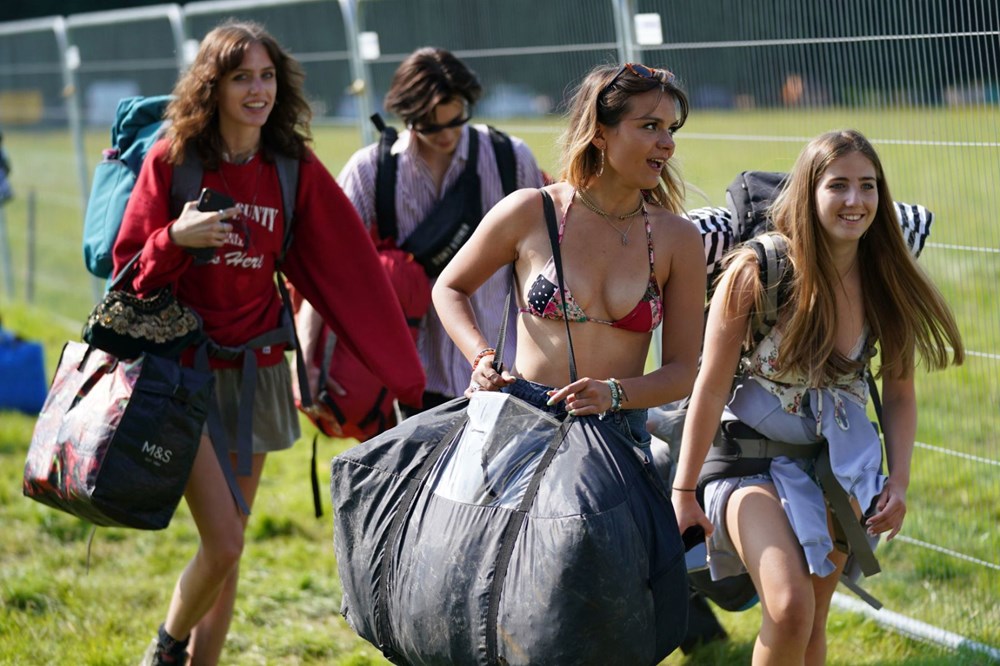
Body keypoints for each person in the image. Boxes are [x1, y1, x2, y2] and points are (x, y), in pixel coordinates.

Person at [112, 20, 424, 665]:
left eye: (266, 76)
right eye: (240, 77)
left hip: (255, 370)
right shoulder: (172, 162)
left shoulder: (293, 168)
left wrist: (407, 384)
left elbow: (352, 274)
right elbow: (127, 274)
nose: (257, 90)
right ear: (213, 85)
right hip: (180, 374)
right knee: (222, 542)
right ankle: (165, 648)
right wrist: (176, 239)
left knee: (231, 548)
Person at [671, 129, 964, 665]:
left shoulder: (886, 280)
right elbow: (709, 386)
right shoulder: (758, 271)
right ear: (809, 192)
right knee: (787, 608)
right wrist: (684, 489)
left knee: (811, 626)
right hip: (744, 461)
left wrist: (898, 482)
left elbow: (899, 391)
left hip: (835, 466)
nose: (855, 201)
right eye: (838, 186)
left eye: (868, 186)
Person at [432, 61, 704, 461]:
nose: (667, 143)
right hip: (522, 425)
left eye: (670, 129)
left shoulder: (676, 238)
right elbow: (449, 287)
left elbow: (681, 372)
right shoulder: (530, 211)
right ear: (599, 133)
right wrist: (481, 356)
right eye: (649, 126)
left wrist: (613, 393)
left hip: (617, 439)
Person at [327, 46, 545, 415]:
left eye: (456, 118)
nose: (446, 135)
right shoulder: (372, 171)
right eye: (430, 125)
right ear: (406, 115)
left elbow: (542, 258)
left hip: (502, 373)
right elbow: (330, 262)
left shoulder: (510, 157)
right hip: (412, 378)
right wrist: (317, 361)